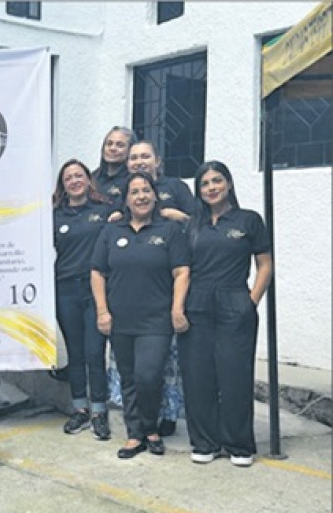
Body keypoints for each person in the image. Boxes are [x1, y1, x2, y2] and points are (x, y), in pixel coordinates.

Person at [91, 172, 189, 459]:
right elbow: (97, 273)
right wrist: (102, 311)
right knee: (129, 378)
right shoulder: (111, 232)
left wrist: (177, 309)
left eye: (146, 190)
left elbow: (182, 271)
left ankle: (150, 427)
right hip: (120, 319)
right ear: (126, 199)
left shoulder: (169, 230)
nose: (141, 196)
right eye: (134, 192)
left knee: (149, 375)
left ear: (155, 196)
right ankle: (136, 435)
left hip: (156, 320)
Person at [179, 161, 272, 467]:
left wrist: (251, 301)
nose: (211, 188)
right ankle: (204, 442)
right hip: (197, 304)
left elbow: (265, 264)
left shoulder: (249, 220)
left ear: (229, 183)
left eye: (217, 181)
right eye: (205, 184)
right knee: (198, 377)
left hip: (235, 303)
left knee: (235, 377)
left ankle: (238, 445)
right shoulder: (192, 226)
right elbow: (183, 270)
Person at [107, 141, 195, 436]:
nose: (139, 161)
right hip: (129, 306)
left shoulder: (177, 188)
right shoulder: (119, 196)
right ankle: (142, 428)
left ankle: (166, 416)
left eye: (145, 156)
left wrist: (177, 216)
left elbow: (198, 224)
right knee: (135, 372)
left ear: (158, 160)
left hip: (166, 295)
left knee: (162, 368)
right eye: (133, 157)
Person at [51, 160, 115, 440]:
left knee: (94, 352)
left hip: (95, 291)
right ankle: (80, 408)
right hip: (65, 290)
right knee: (75, 353)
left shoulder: (105, 210)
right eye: (68, 178)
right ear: (62, 185)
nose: (74, 181)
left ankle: (99, 411)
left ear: (89, 180)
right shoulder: (54, 216)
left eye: (79, 176)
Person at [92, 126, 137, 204]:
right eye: (109, 144)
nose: (112, 148)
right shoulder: (92, 178)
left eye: (120, 145)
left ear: (131, 150)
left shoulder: (134, 179)